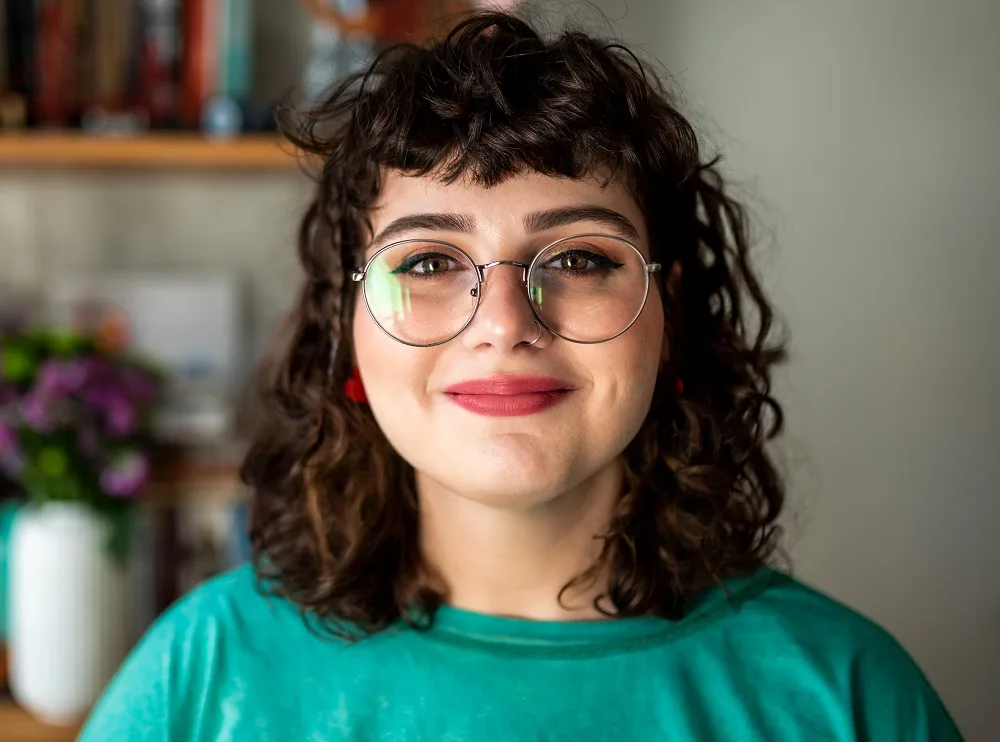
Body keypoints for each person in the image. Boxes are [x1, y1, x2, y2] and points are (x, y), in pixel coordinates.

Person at [80, 11, 963, 741]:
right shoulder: (200, 678)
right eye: (428, 263)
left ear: (669, 318)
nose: (504, 324)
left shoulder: (845, 695)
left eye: (580, 257)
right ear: (349, 329)